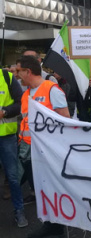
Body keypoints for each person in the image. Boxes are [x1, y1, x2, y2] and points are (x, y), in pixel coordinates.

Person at [16, 55, 70, 237]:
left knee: (53, 189)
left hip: (48, 154)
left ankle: (58, 227)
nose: (17, 75)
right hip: (29, 154)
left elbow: (65, 121)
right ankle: (50, 223)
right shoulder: (25, 95)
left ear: (28, 71)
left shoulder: (51, 90)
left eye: (18, 71)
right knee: (41, 191)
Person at [0, 68, 28, 227]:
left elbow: (21, 102)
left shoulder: (7, 77)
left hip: (6, 137)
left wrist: (5, 111)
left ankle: (19, 211)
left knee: (12, 176)